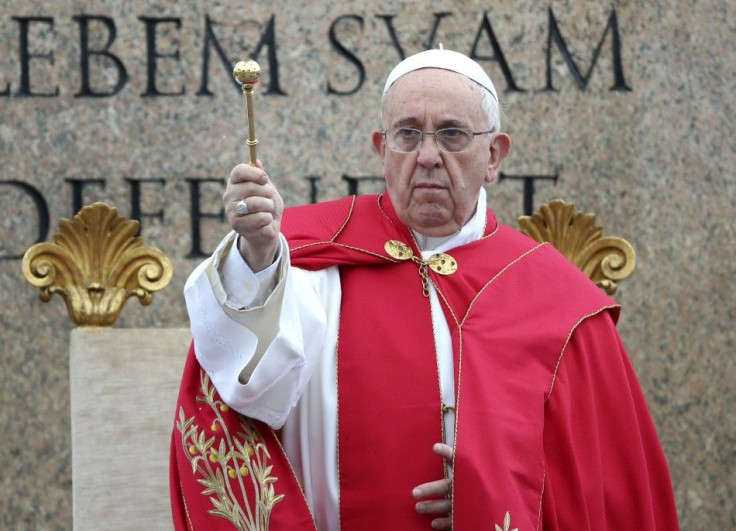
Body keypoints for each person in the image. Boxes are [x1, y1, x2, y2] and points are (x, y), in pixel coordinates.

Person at [170, 49, 679, 530]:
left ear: (494, 155)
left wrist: (496, 494)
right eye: (408, 134)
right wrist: (256, 259)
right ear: (381, 149)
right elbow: (243, 389)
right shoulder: (299, 258)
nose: (429, 155)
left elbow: (601, 485)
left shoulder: (558, 304)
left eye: (453, 135)